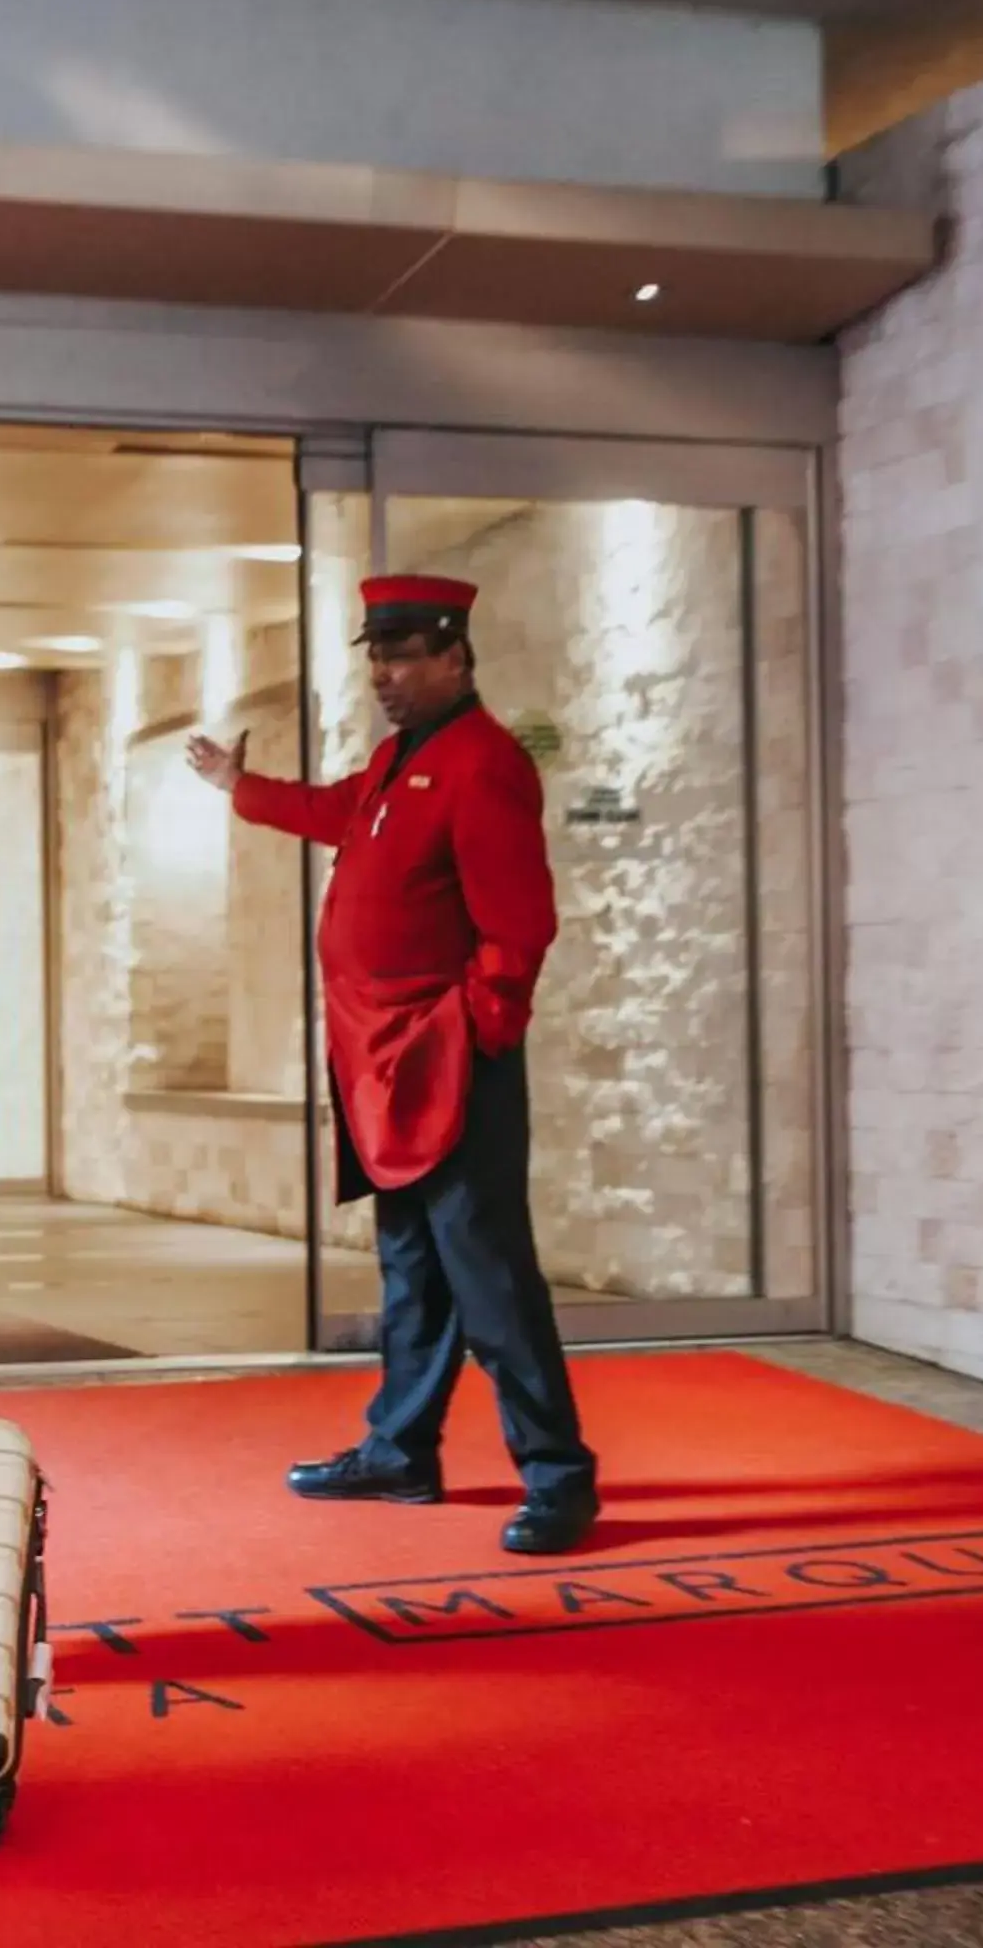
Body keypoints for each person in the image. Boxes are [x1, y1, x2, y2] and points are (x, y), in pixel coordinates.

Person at [187, 573, 600, 1555]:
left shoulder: (485, 763)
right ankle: (401, 1448)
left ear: (456, 654)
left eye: (405, 654)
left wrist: (479, 1029)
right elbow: (338, 813)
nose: (386, 672)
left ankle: (558, 1475)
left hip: (448, 1059)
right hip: (385, 1064)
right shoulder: (396, 760)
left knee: (490, 1276)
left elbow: (519, 925)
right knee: (410, 1265)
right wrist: (238, 788)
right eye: (376, 655)